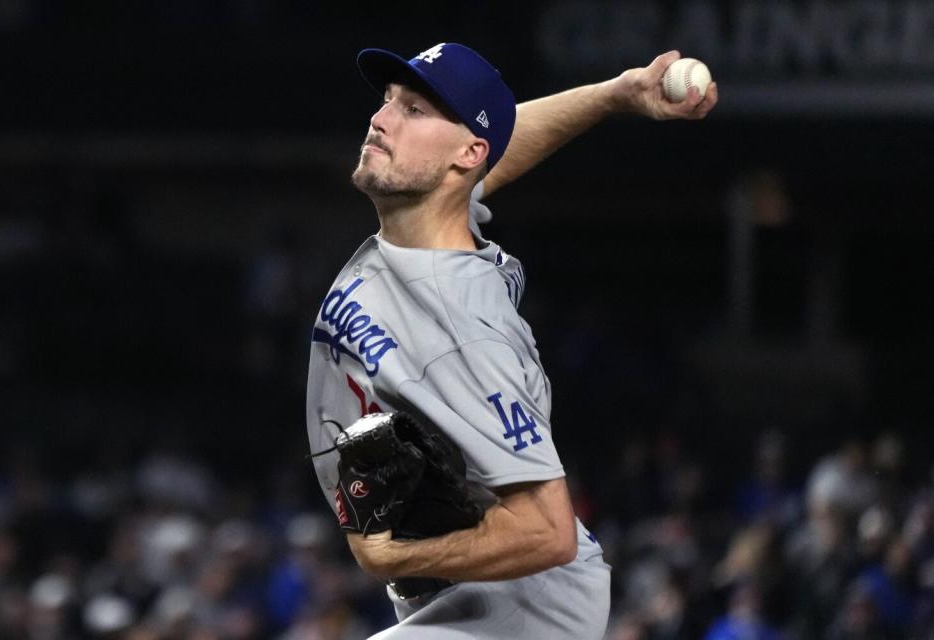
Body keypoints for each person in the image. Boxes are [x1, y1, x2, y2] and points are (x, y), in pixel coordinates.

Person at [306, 42, 717, 639]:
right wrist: (613, 95)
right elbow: (492, 149)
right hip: (470, 602)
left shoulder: (462, 330)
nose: (382, 118)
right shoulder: (432, 223)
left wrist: (388, 557)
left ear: (465, 154)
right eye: (388, 101)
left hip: (521, 611)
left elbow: (545, 531)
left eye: (414, 110)